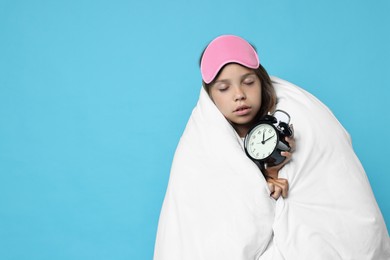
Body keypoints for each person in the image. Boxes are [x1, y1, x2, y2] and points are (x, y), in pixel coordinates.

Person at [154, 35, 390, 260]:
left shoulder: (288, 117)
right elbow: (218, 215)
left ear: (261, 81)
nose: (239, 95)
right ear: (210, 96)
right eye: (223, 88)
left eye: (248, 82)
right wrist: (264, 184)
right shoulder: (200, 146)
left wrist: (275, 170)